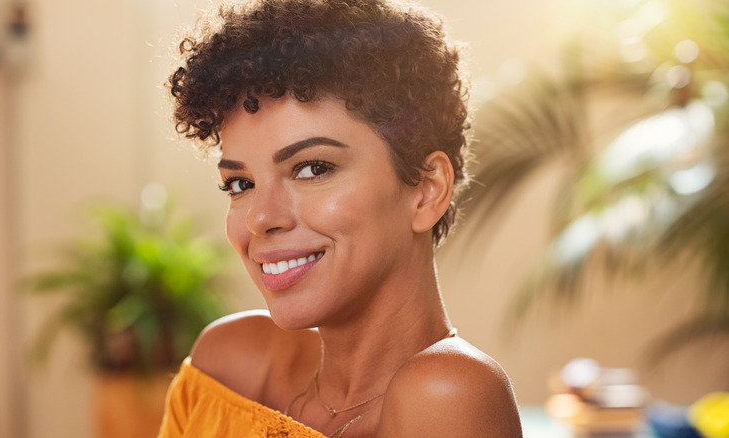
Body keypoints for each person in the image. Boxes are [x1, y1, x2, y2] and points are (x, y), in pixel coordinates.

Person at [158, 0, 523, 436]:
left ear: (427, 190)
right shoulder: (225, 368)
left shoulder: (447, 392)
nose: (259, 218)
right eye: (240, 184)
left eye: (313, 168)